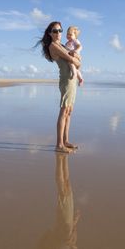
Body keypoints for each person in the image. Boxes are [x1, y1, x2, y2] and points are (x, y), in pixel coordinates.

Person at [36, 21, 81, 153]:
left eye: (60, 30)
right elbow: (75, 61)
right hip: (66, 80)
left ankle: (65, 140)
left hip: (72, 80)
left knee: (69, 111)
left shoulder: (61, 45)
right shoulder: (54, 46)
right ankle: (59, 144)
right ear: (50, 33)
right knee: (64, 110)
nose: (58, 33)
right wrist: (76, 58)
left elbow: (76, 60)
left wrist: (76, 58)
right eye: (55, 31)